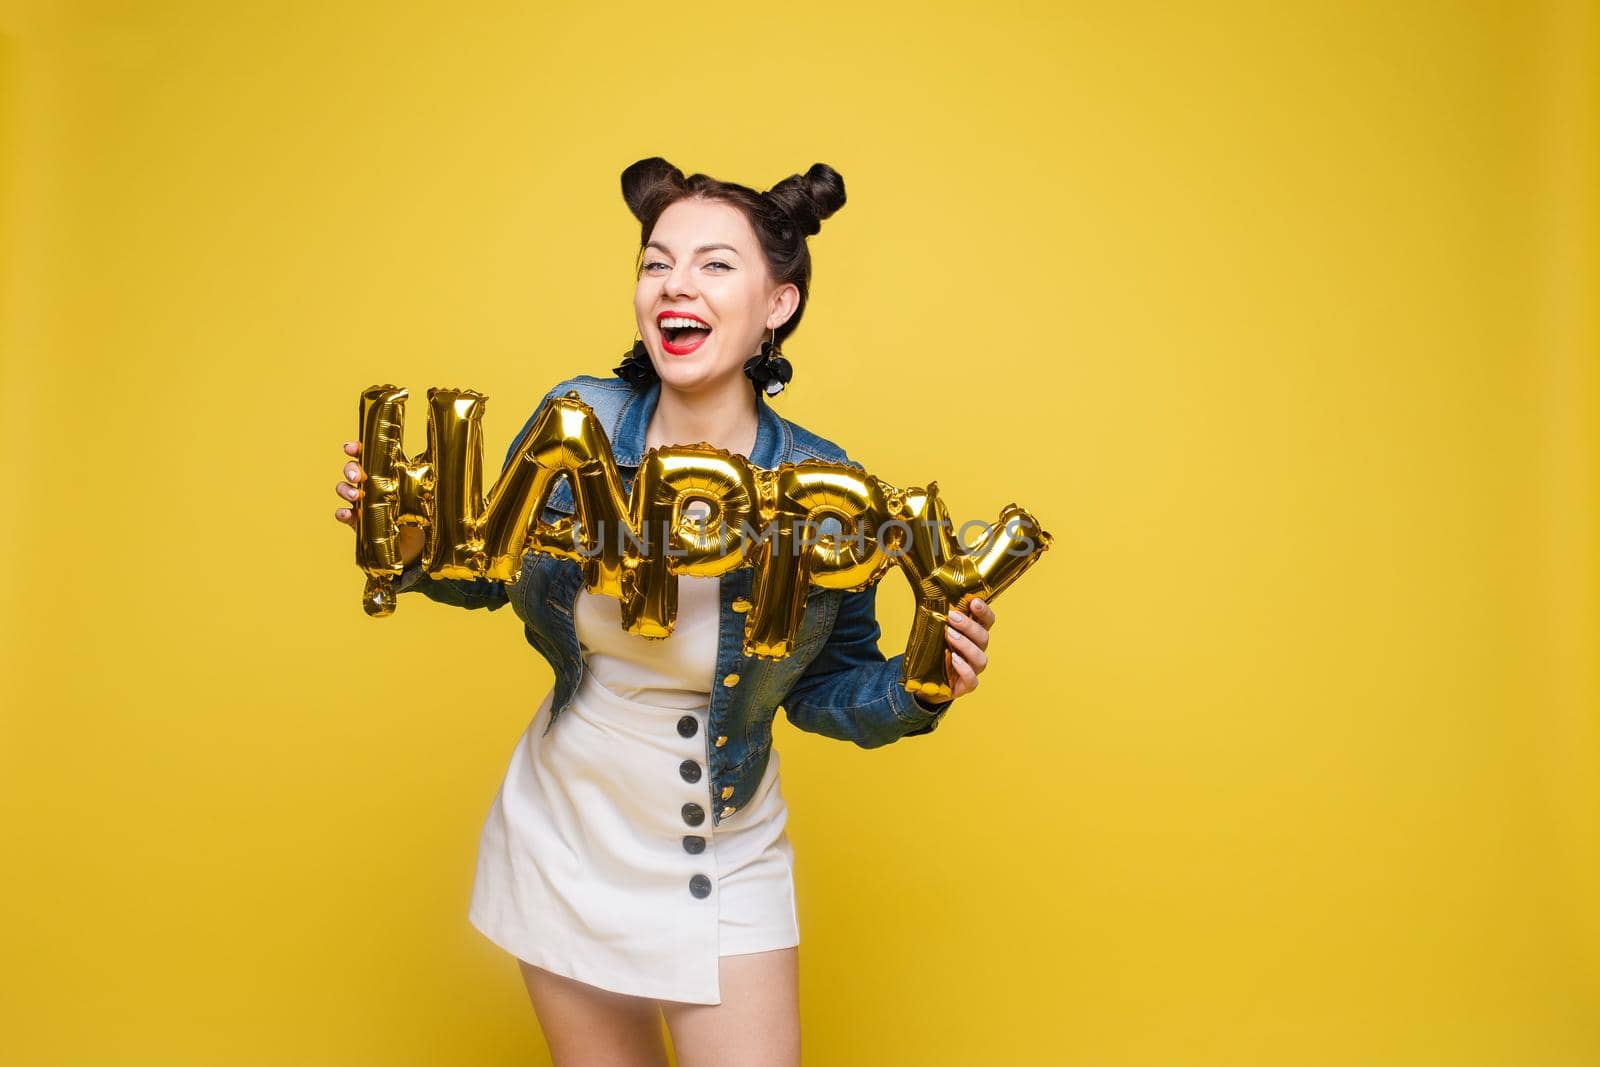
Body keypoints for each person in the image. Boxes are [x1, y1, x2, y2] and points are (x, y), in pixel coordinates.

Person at [332, 157, 998, 1067]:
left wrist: (927, 684)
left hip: (723, 846)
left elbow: (830, 686)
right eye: (656, 262)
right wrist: (410, 543)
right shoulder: (581, 418)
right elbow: (491, 568)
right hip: (566, 830)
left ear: (779, 304)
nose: (675, 284)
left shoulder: (826, 489)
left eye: (715, 264)